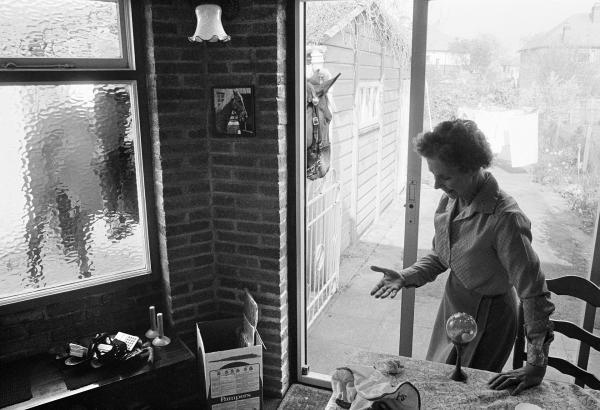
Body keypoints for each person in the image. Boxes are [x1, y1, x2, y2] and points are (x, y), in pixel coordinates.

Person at [370, 119, 555, 395]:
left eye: (444, 177)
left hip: (490, 318)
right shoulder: (451, 200)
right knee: (439, 381)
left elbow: (534, 293)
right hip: (453, 308)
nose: (435, 185)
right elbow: (442, 256)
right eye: (433, 174)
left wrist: (536, 364)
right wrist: (406, 276)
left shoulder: (505, 219)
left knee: (463, 393)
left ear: (471, 168)